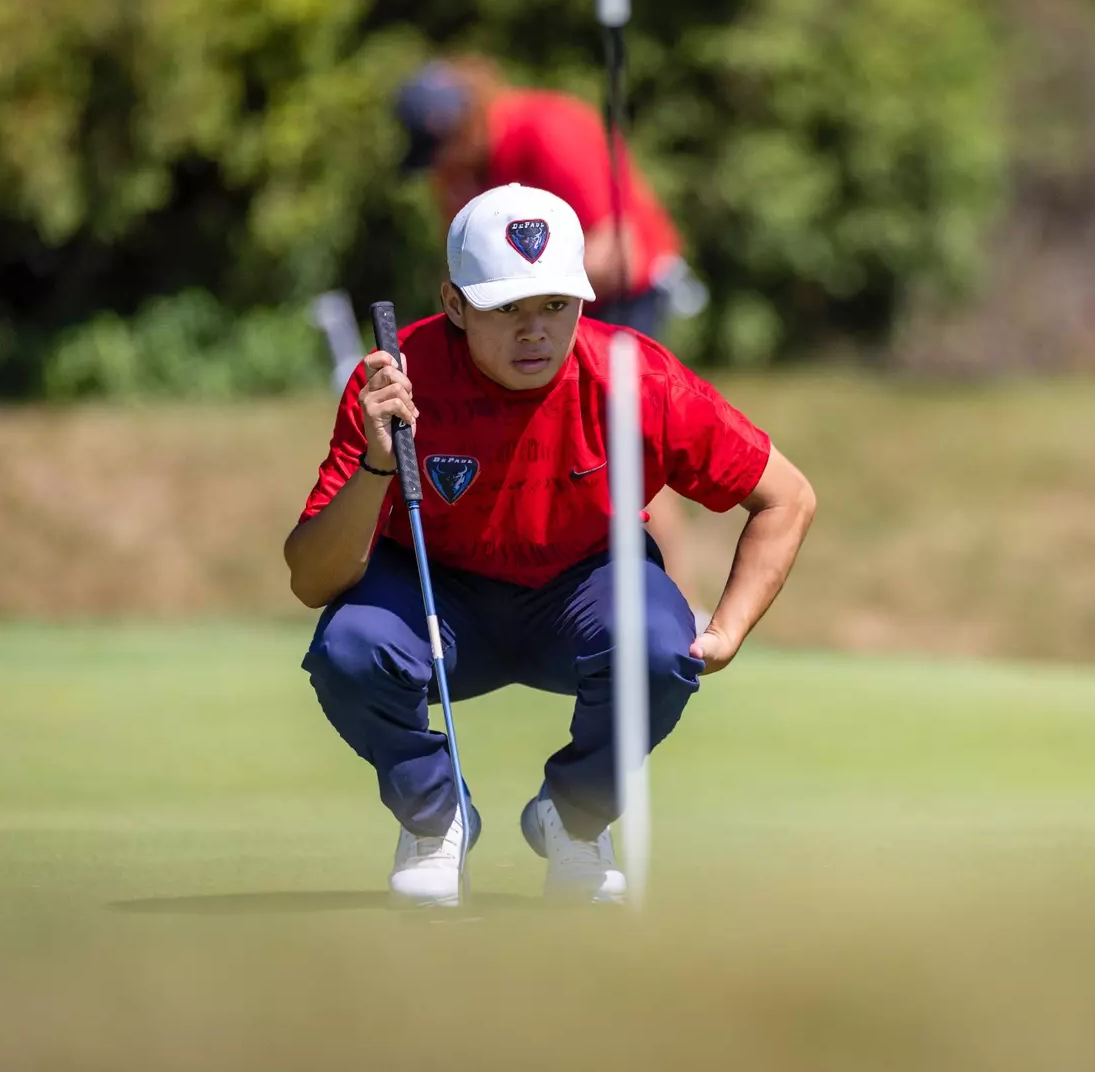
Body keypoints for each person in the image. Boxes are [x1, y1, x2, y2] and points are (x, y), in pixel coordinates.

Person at [284, 184, 816, 906]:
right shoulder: (394, 378)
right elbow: (312, 580)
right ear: (454, 304)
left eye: (555, 306)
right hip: (434, 593)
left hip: (581, 587)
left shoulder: (636, 375)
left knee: (661, 648)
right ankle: (434, 821)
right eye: (507, 309)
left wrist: (726, 629)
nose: (534, 331)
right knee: (350, 647)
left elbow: (786, 496)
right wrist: (380, 461)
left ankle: (574, 819)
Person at [391, 55, 708, 615]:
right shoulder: (462, 172)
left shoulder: (548, 128)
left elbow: (619, 243)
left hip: (619, 289)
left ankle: (677, 603)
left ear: (464, 125)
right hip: (542, 306)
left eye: (442, 153)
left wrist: (546, 309)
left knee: (625, 437)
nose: (440, 172)